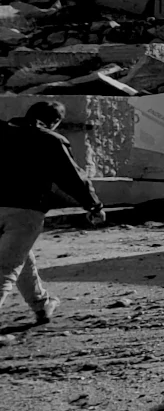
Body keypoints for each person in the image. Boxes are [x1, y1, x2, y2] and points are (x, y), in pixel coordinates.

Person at [1, 101, 107, 324]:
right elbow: (73, 179)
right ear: (56, 122)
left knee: (20, 257)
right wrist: (94, 206)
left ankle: (41, 303)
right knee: (6, 267)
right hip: (24, 211)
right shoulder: (50, 140)